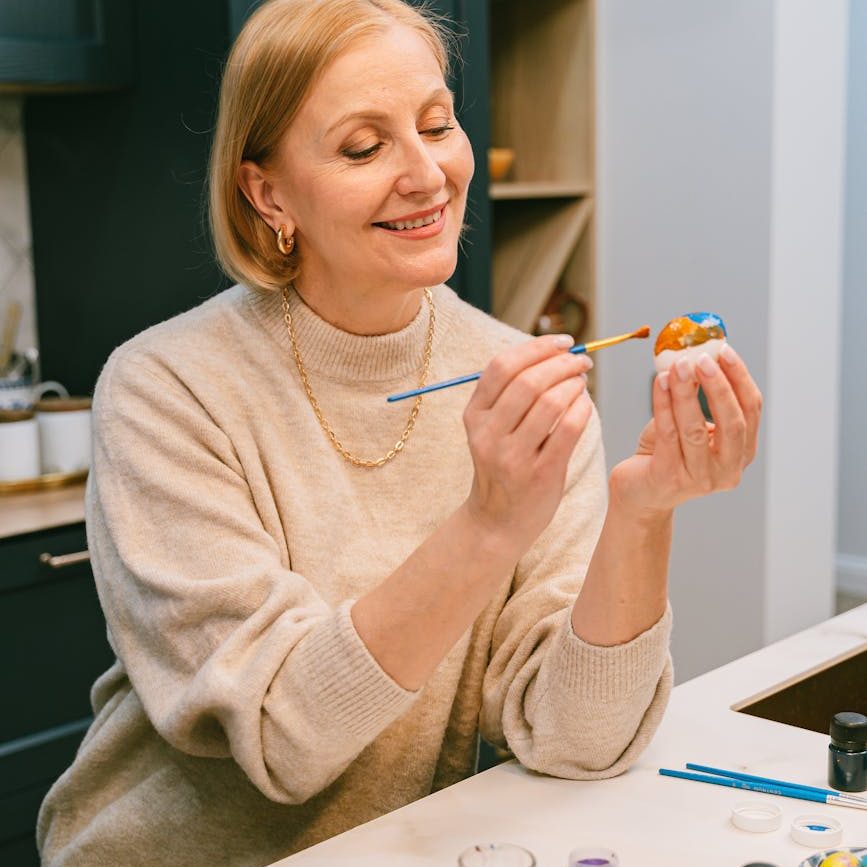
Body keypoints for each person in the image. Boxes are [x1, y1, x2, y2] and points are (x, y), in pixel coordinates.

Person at [37, 0, 762, 864]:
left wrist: (642, 514)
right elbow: (282, 736)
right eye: (363, 146)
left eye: (436, 124)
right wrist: (487, 526)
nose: (427, 174)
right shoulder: (165, 389)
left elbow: (577, 738)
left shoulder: (512, 376)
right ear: (267, 191)